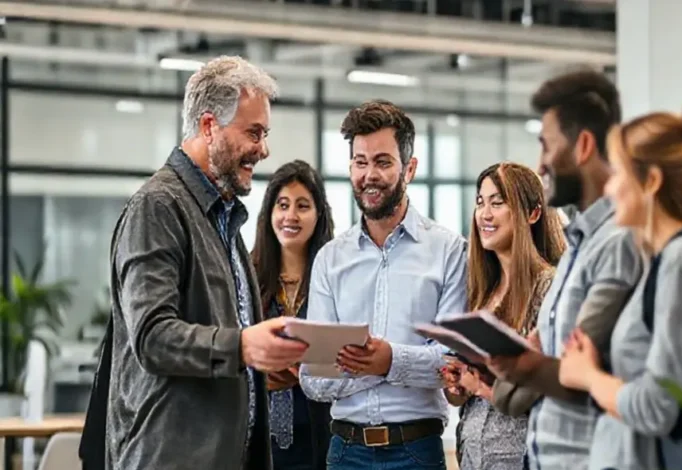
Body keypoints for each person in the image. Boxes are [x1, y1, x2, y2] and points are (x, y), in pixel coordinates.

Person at [105, 56, 309, 470]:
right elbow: (153, 336)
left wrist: (261, 367)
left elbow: (216, 343)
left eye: (265, 133)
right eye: (254, 133)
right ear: (209, 125)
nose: (264, 149)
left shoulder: (223, 218)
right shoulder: (157, 207)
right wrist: (245, 346)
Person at [486, 70, 644, 470]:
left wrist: (529, 366)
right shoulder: (576, 247)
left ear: (584, 145)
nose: (540, 164)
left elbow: (581, 378)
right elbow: (515, 393)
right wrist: (531, 367)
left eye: (547, 146)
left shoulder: (619, 243)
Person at [558, 99, 682, 470]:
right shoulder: (662, 261)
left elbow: (658, 406)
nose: (609, 188)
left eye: (618, 173)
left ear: (651, 181)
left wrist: (589, 377)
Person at [299, 99, 468, 470]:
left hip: (416, 452)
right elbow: (312, 377)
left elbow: (452, 362)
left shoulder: (449, 251)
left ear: (409, 168)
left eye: (382, 162)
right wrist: (392, 365)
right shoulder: (330, 259)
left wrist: (387, 359)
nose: (369, 175)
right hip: (345, 452)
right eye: (360, 162)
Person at [441, 162, 566, 470]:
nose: (485, 214)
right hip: (473, 458)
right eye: (480, 202)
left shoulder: (549, 287)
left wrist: (482, 387)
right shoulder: (482, 293)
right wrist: (457, 385)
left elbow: (549, 389)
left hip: (524, 458)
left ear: (533, 213)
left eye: (497, 203)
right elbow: (464, 398)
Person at [250, 160, 335, 470]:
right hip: (258, 445)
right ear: (269, 213)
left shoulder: (334, 280)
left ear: (319, 214)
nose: (290, 216)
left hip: (321, 441)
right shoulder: (248, 276)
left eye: (303, 206)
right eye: (282, 205)